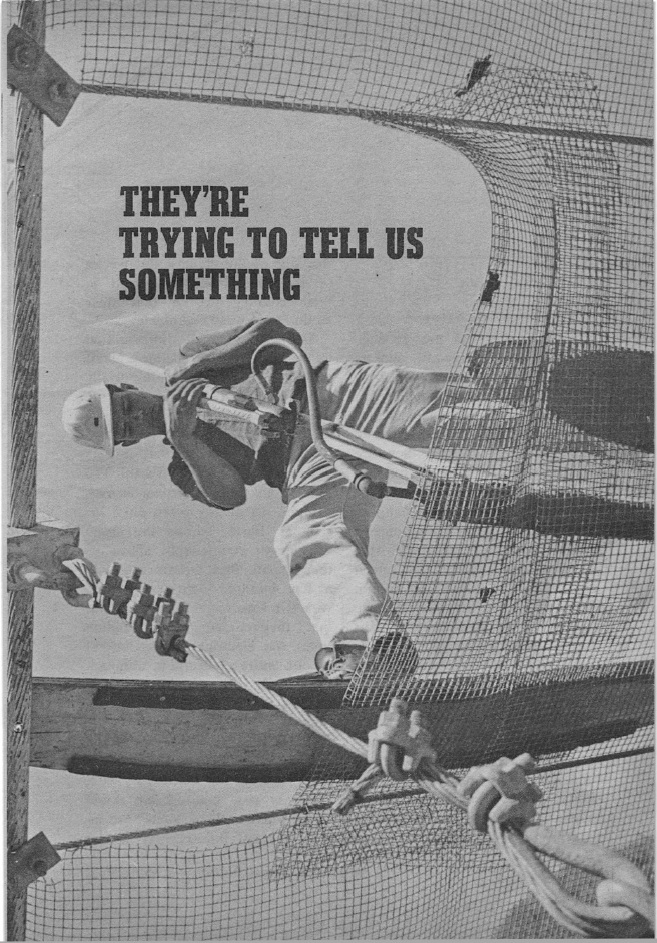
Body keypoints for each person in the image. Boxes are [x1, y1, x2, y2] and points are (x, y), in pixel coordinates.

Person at [62, 318, 503, 680]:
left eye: (125, 405)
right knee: (300, 536)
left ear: (125, 386)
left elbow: (279, 336)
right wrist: (185, 437)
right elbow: (231, 496)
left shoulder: (189, 357)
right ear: (131, 441)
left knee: (477, 419)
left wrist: (199, 365)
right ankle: (371, 648)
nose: (136, 416)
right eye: (127, 426)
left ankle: (555, 405)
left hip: (331, 397)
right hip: (305, 464)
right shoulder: (182, 467)